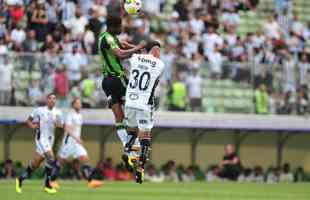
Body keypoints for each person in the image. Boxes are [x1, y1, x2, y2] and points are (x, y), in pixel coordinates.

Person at [98, 15, 145, 152]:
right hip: (117, 80)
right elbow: (120, 53)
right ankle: (133, 140)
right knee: (133, 108)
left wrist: (134, 47)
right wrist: (138, 48)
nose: (121, 28)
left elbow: (122, 44)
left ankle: (127, 145)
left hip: (107, 82)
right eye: (119, 26)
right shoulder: (108, 39)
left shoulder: (107, 37)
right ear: (113, 26)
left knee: (119, 116)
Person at [124, 41, 165, 184]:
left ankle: (129, 152)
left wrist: (135, 47)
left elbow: (129, 53)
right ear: (155, 50)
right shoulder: (160, 64)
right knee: (145, 134)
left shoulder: (135, 58)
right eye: (159, 50)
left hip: (130, 101)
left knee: (131, 131)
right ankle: (141, 166)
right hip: (145, 103)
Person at [16, 93, 63, 194]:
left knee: (36, 163)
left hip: (50, 139)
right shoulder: (39, 110)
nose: (52, 100)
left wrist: (58, 124)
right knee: (51, 157)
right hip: (41, 138)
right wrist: (32, 126)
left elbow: (61, 125)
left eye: (54, 99)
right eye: (50, 98)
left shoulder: (58, 112)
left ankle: (20, 179)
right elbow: (28, 121)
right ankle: (47, 185)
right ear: (47, 100)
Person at [51, 98, 102, 188]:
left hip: (76, 143)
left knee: (85, 158)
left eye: (80, 103)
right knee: (61, 161)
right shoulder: (70, 115)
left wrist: (78, 139)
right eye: (77, 103)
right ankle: (52, 181)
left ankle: (90, 181)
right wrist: (76, 138)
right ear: (73, 105)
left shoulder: (80, 116)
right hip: (69, 142)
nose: (79, 105)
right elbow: (67, 128)